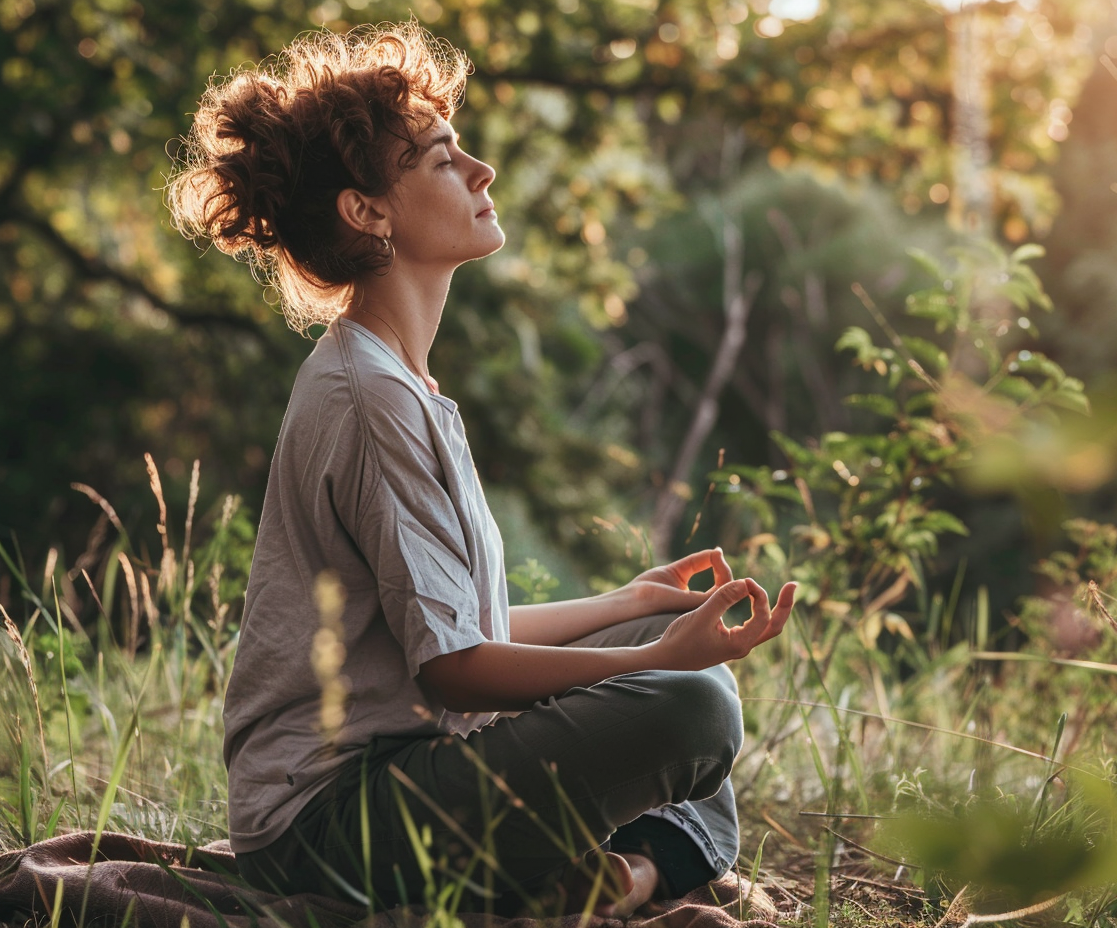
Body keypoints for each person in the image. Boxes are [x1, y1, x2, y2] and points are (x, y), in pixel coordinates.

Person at [166, 20, 796, 918]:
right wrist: (659, 657)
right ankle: (643, 872)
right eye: (440, 160)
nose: (481, 173)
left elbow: (460, 627)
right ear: (367, 211)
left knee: (694, 678)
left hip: (409, 768)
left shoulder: (403, 382)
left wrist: (630, 607)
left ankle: (617, 880)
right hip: (329, 819)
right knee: (691, 708)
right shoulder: (368, 398)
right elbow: (455, 671)